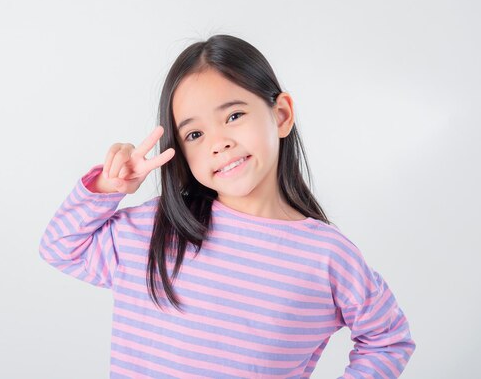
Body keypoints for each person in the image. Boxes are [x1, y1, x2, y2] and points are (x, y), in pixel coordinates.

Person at [38, 34, 416, 378]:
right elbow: (60, 247)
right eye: (195, 134)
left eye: (234, 116)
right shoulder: (156, 227)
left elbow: (388, 338)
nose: (218, 143)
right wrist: (107, 186)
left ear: (281, 115)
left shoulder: (327, 256)